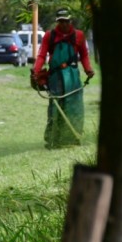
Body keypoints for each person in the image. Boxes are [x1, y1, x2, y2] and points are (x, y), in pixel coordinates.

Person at [32, 9, 95, 148]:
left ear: (70, 20)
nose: (64, 24)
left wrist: (88, 70)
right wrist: (36, 71)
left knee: (74, 107)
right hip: (55, 77)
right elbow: (42, 55)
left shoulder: (79, 35)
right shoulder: (49, 36)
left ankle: (73, 138)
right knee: (55, 107)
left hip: (72, 76)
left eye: (66, 21)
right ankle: (53, 139)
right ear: (57, 21)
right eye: (61, 21)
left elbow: (84, 55)